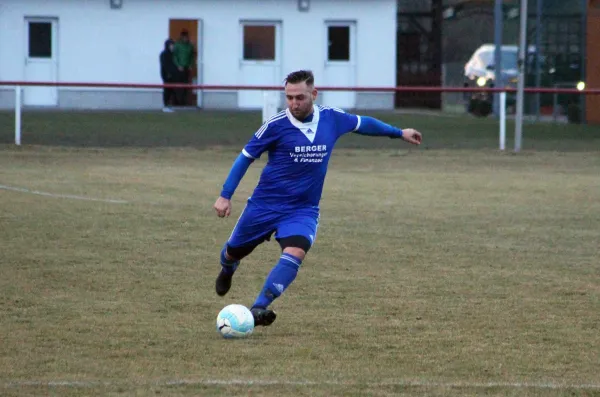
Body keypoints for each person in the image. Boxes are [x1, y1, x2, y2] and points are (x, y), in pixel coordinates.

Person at [213, 70, 422, 327]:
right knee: (233, 252)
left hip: (303, 209)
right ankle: (228, 269)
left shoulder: (331, 119)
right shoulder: (275, 126)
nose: (293, 104)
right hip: (265, 206)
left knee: (296, 251)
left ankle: (259, 306)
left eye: (299, 97)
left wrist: (398, 132)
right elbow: (245, 157)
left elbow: (363, 123)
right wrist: (225, 195)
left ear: (313, 94)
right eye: (289, 98)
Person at [173, 30, 195, 106]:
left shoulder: (190, 46)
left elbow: (192, 56)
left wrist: (190, 65)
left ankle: (184, 101)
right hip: (179, 69)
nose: (186, 38)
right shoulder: (177, 45)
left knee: (186, 85)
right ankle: (177, 102)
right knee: (179, 85)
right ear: (182, 37)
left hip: (186, 68)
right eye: (184, 37)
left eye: (187, 37)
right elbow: (174, 56)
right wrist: (178, 65)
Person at [159, 39, 179, 112]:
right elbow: (165, 65)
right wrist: (168, 73)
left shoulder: (172, 54)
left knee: (171, 90)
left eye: (173, 45)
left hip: (172, 75)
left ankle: (169, 105)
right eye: (171, 45)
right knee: (167, 90)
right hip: (166, 75)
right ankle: (165, 106)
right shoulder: (164, 54)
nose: (173, 47)